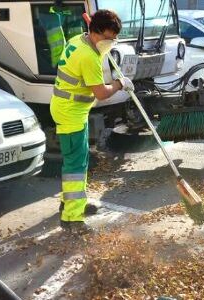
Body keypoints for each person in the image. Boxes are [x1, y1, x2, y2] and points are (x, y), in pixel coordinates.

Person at [50, 10, 133, 234]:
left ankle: (71, 202)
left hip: (70, 108)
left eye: (114, 38)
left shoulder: (79, 40)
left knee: (79, 159)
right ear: (95, 32)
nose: (111, 42)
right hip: (71, 113)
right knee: (75, 165)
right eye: (108, 37)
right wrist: (119, 84)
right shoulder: (88, 56)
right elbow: (102, 93)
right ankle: (73, 219)